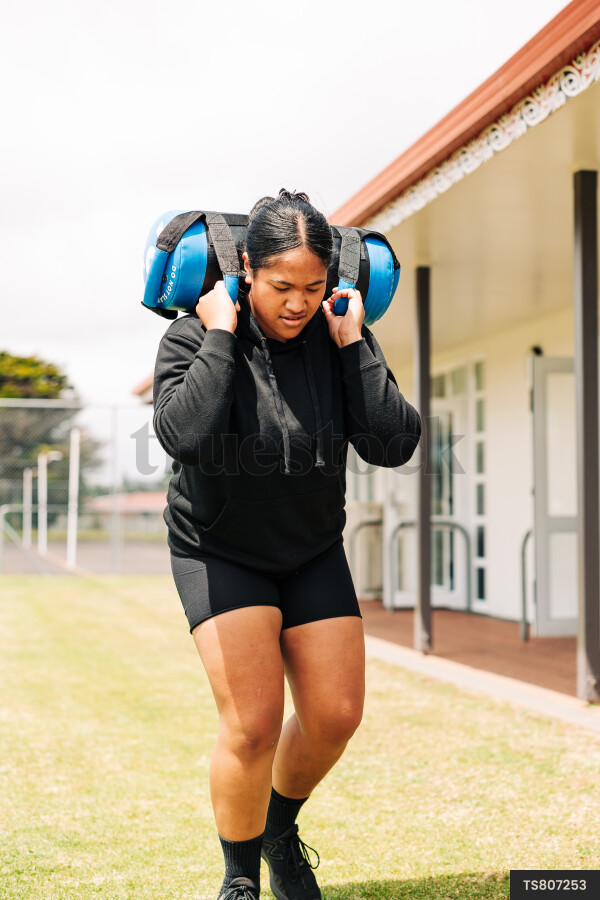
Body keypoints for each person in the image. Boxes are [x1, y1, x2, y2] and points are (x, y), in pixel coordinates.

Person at [152, 189, 422, 900]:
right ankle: (239, 878)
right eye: (280, 287)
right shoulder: (193, 338)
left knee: (335, 716)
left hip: (309, 549)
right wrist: (216, 334)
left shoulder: (338, 339)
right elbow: (184, 439)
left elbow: (394, 443)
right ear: (246, 269)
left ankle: (278, 830)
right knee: (253, 725)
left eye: (313, 286)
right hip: (219, 548)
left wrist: (355, 344)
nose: (298, 303)